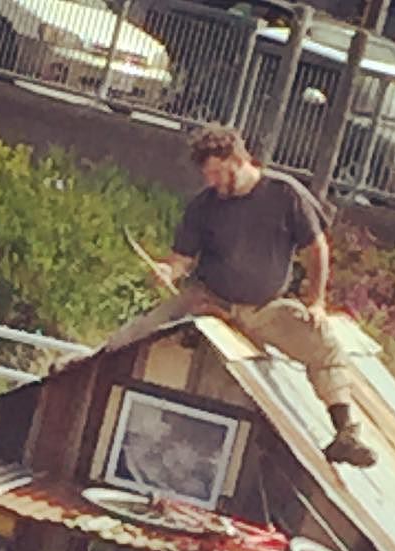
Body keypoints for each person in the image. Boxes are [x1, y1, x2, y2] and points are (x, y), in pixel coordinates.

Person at [107, 125, 377, 468]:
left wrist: (316, 301)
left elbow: (317, 248)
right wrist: (167, 272)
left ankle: (345, 434)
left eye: (218, 173)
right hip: (209, 300)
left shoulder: (285, 194)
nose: (212, 182)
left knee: (322, 345)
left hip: (265, 309)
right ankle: (85, 366)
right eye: (207, 175)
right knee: (144, 327)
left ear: (238, 159)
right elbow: (181, 260)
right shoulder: (204, 206)